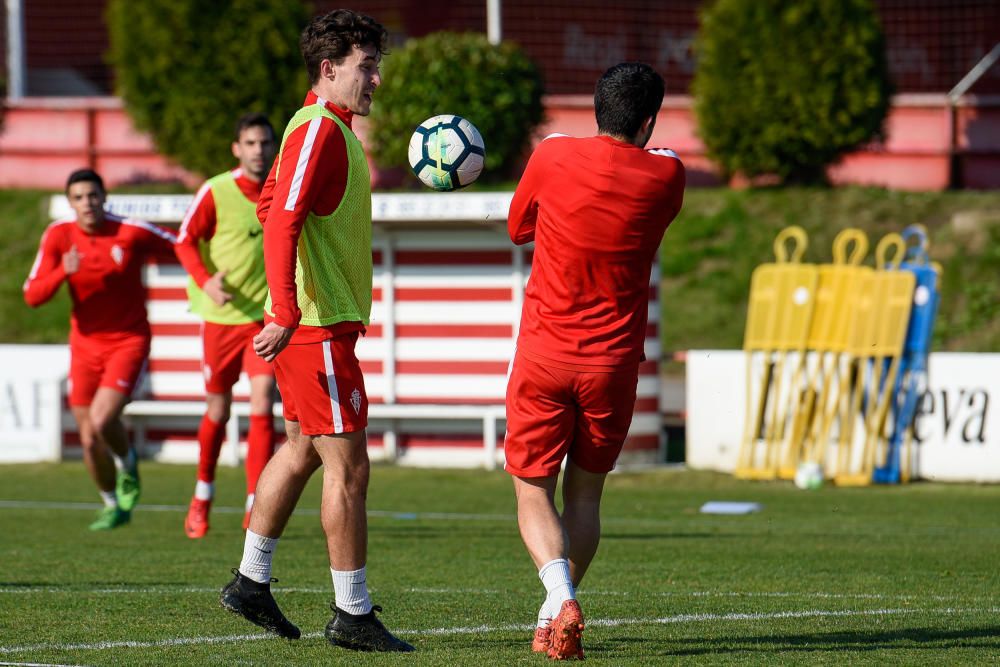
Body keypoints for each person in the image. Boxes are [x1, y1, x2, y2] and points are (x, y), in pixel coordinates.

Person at [218, 9, 413, 653]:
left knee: (303, 448)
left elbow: (272, 204)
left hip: (319, 326)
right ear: (329, 70)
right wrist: (284, 309)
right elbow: (279, 221)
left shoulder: (326, 129)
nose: (376, 80)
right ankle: (351, 613)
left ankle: (251, 580)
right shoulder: (319, 131)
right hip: (316, 328)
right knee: (351, 469)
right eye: (367, 67)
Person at [504, 62, 685, 660]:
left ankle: (558, 597)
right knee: (585, 498)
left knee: (533, 490)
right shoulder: (667, 176)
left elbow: (517, 227)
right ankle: (550, 615)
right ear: (651, 119)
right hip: (613, 363)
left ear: (595, 109)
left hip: (544, 353)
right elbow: (657, 158)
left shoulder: (554, 156)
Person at [23, 169, 178, 530]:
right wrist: (63, 270)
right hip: (84, 347)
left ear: (104, 198)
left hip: (128, 341)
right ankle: (113, 503)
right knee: (89, 439)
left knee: (101, 419)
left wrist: (206, 279)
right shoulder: (59, 236)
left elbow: (183, 243)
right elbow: (32, 295)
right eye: (78, 197)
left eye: (93, 196)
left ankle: (128, 462)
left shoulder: (130, 231)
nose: (87, 203)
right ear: (70, 203)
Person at [174, 113, 279, 539]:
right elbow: (183, 240)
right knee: (218, 410)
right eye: (250, 143)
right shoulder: (216, 190)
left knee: (262, 402)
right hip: (220, 321)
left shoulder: (281, 189)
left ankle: (256, 502)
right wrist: (205, 281)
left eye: (265, 143)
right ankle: (202, 495)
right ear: (237, 148)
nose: (258, 151)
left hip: (262, 321)